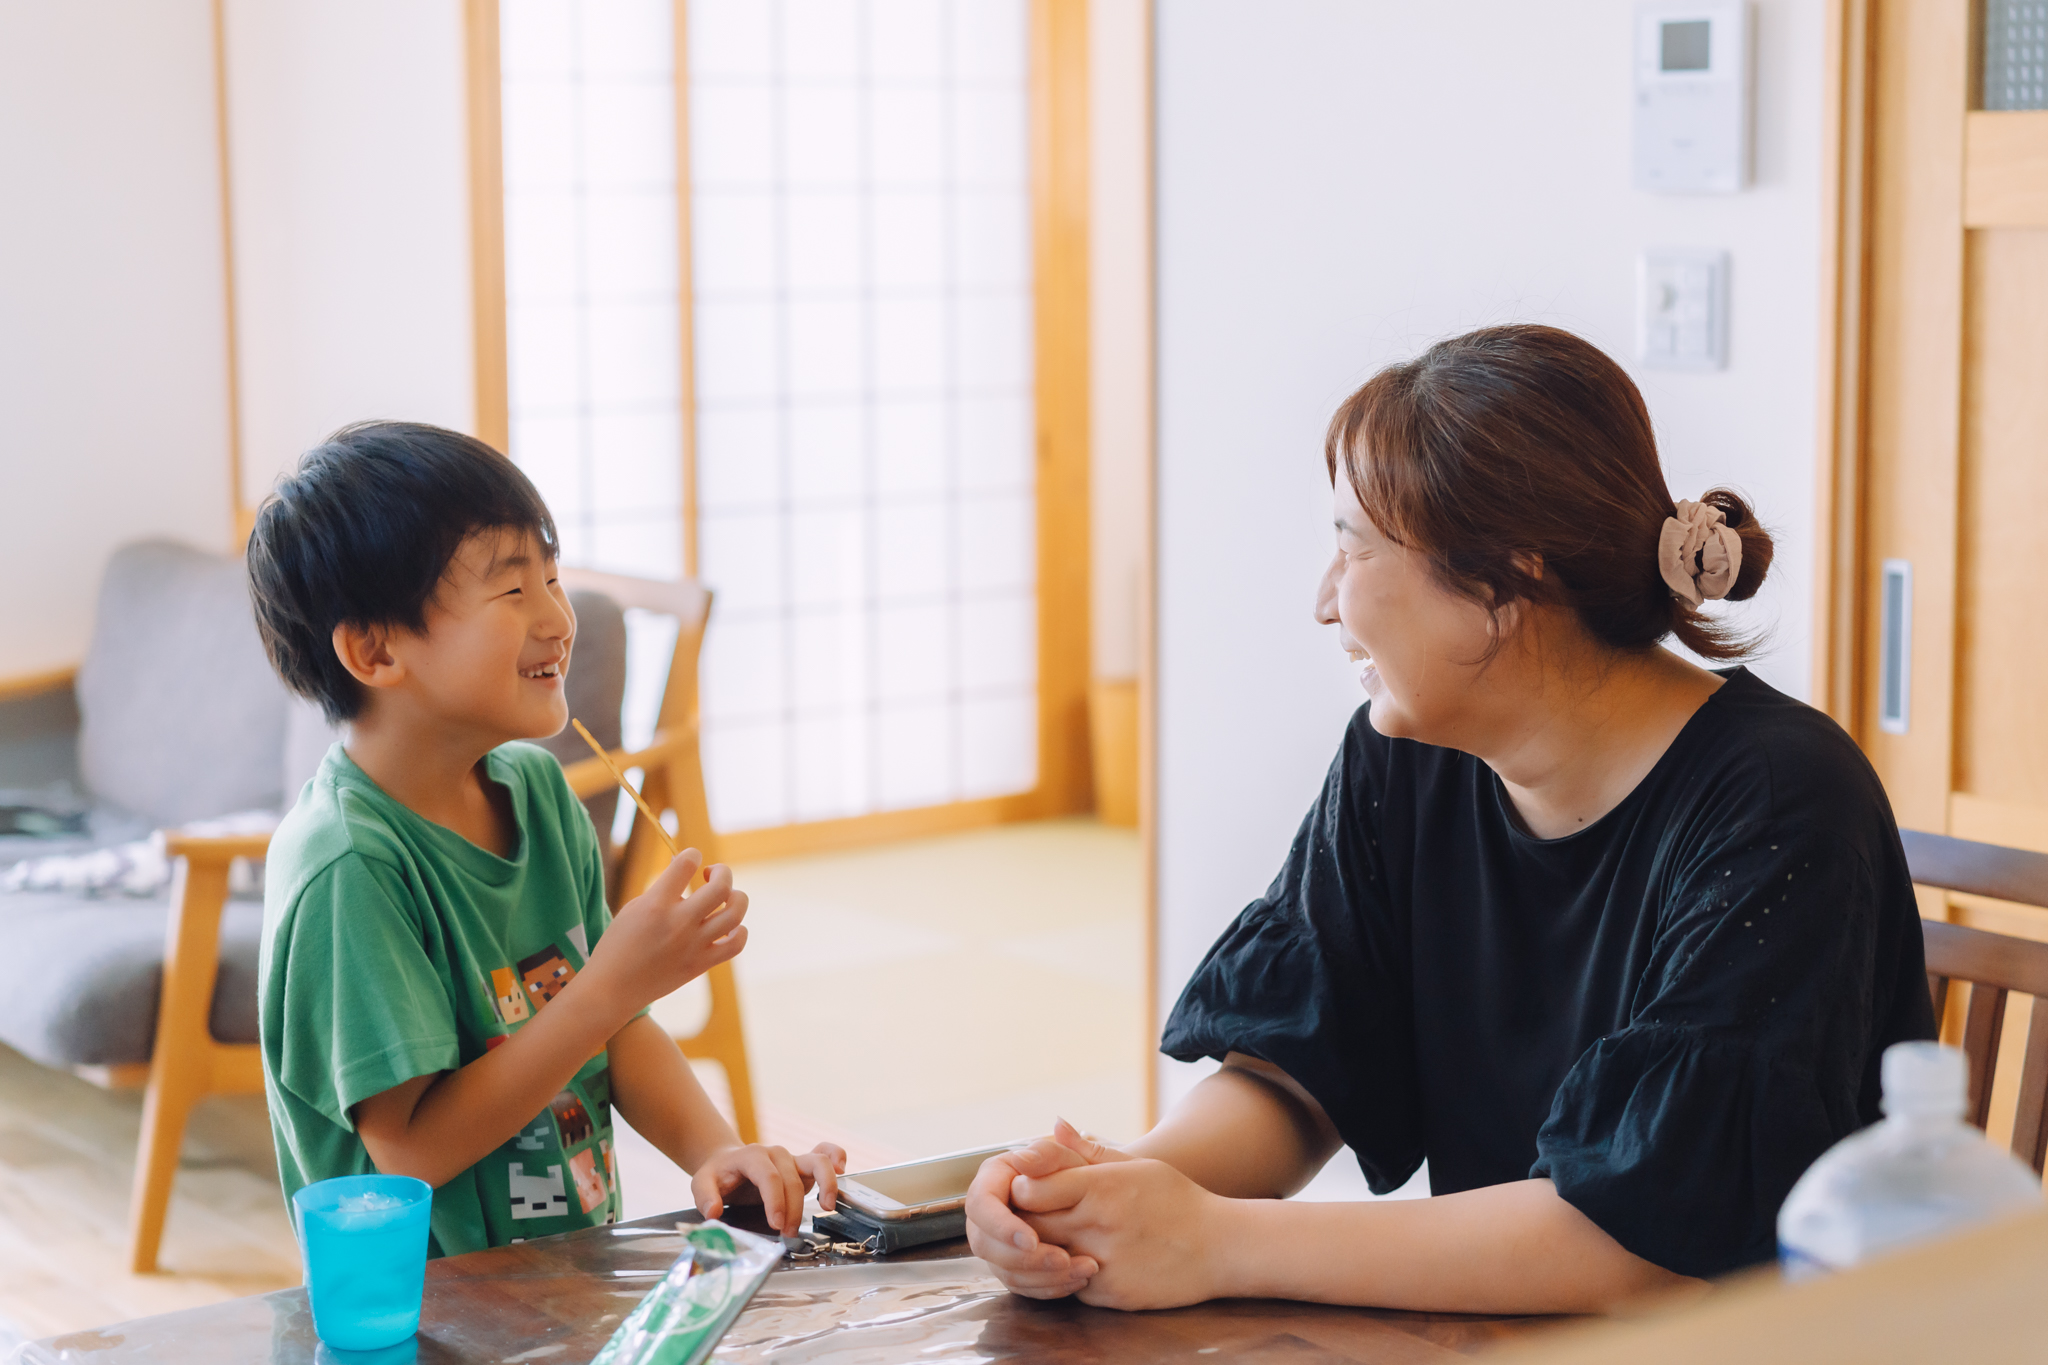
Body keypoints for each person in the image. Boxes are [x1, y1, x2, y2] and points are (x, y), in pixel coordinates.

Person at [965, 325, 1936, 1312]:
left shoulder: (1782, 801)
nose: (1323, 601)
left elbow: (1641, 1238)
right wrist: (1106, 1196)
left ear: (1503, 585)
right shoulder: (1401, 759)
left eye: (1350, 545)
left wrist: (1217, 1242)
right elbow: (1299, 1066)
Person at [249, 421, 842, 1256]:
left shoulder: (536, 791)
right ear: (375, 648)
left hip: (566, 1282)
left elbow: (620, 1030)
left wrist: (716, 1151)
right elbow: (411, 1153)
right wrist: (607, 985)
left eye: (553, 576)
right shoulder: (349, 866)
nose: (559, 618)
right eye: (512, 590)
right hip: (429, 1317)